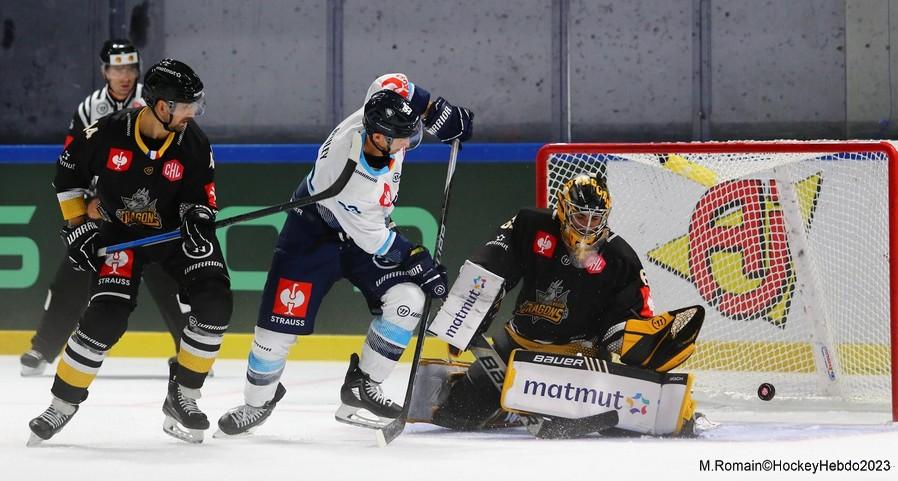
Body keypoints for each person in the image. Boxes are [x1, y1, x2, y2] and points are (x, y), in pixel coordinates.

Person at [215, 73, 473, 436]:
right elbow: (377, 241)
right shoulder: (349, 178)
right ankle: (256, 403)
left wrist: (434, 110)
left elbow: (391, 81)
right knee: (273, 334)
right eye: (403, 137)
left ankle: (362, 388)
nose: (409, 143)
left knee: (408, 298)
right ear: (379, 138)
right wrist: (418, 258)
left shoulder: (376, 113)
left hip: (362, 233)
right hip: (313, 235)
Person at [27, 59, 232, 445]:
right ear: (161, 105)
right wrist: (78, 225)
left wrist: (198, 218)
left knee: (215, 302)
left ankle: (184, 396)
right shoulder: (107, 132)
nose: (192, 113)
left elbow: (203, 195)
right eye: (186, 105)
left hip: (174, 234)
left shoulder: (194, 142)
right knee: (105, 316)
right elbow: (67, 174)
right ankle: (61, 404)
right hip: (122, 234)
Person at [421, 172, 705, 437]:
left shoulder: (621, 258)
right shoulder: (530, 225)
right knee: (457, 415)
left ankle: (516, 405)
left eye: (596, 219)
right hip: (516, 348)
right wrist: (465, 312)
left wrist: (645, 345)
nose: (588, 226)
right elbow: (492, 263)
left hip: (579, 361)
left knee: (614, 427)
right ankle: (505, 407)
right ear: (563, 209)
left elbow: (629, 321)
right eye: (581, 216)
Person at [20, 39, 188, 377]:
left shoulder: (156, 102)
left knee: (166, 274)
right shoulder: (88, 109)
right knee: (74, 269)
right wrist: (86, 204)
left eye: (130, 68)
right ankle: (43, 347)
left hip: (150, 208)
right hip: (105, 211)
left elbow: (177, 153)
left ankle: (189, 351)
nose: (124, 76)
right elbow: (72, 162)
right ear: (104, 72)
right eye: (117, 69)